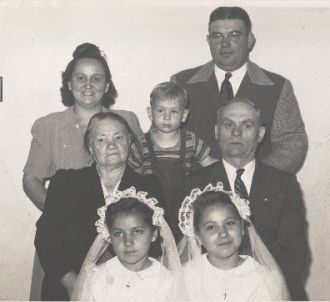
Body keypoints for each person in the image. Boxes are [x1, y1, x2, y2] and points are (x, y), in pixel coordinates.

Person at [35, 111, 164, 301]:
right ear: (90, 147)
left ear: (129, 142)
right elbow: (47, 240)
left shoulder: (149, 186)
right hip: (68, 289)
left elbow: (158, 243)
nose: (111, 145)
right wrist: (75, 285)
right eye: (101, 140)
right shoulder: (65, 183)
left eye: (118, 137)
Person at [186, 99, 308, 300]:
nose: (236, 132)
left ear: (260, 134)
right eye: (228, 124)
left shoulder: (283, 183)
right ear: (216, 131)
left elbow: (295, 252)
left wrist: (267, 288)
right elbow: (190, 249)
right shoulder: (194, 183)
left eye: (246, 125)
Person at [171, 6, 307, 174]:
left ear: (249, 40)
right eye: (217, 36)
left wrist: (256, 176)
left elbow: (292, 141)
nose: (225, 43)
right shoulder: (182, 83)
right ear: (208, 41)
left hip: (257, 192)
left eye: (234, 35)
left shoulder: (277, 87)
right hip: (197, 191)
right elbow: (165, 139)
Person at [23, 42, 144, 212]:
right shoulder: (49, 126)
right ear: (70, 84)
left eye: (96, 78)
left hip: (121, 223)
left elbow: (143, 172)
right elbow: (31, 180)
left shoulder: (127, 120)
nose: (88, 85)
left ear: (107, 85)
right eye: (80, 78)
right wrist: (58, 214)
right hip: (68, 225)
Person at [178, 182, 290, 301]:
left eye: (229, 223)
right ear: (198, 237)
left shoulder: (265, 277)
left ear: (242, 227)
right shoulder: (186, 277)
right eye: (211, 227)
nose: (223, 233)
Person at [72, 187, 185, 301]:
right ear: (109, 236)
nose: (128, 242)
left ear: (154, 234)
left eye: (137, 231)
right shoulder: (96, 277)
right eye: (118, 233)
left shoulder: (167, 280)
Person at [142, 82, 216, 240]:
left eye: (174, 111)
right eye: (160, 110)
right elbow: (131, 176)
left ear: (183, 115)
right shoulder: (142, 143)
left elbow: (211, 166)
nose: (166, 117)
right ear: (150, 113)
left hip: (183, 206)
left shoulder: (191, 140)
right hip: (151, 207)